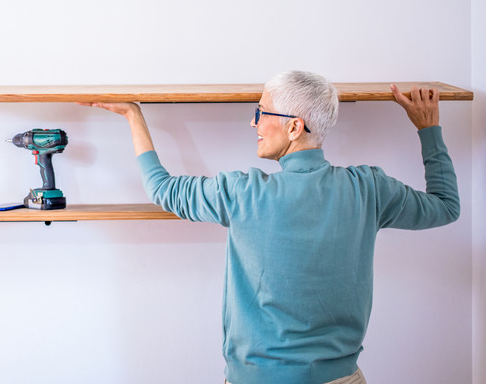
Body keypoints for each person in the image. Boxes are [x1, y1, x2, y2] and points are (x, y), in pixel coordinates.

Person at [79, 71, 460, 384]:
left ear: (295, 127)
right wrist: (429, 128)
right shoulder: (368, 188)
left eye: (261, 113)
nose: (253, 122)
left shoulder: (242, 193)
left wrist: (133, 116)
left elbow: (162, 189)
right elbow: (446, 207)